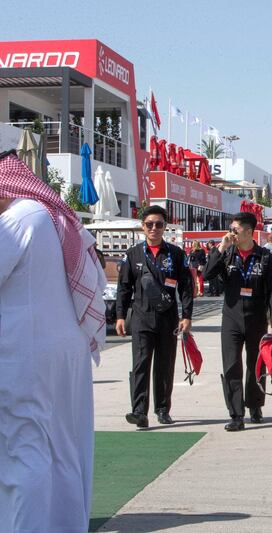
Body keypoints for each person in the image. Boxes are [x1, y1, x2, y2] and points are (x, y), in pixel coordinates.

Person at [0, 151, 105, 533]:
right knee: (63, 450)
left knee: (22, 452)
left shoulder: (20, 218)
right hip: (62, 353)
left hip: (24, 356)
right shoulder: (51, 217)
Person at [205, 212, 272, 431]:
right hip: (231, 317)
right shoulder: (228, 254)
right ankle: (236, 413)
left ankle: (255, 405)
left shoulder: (265, 257)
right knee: (231, 365)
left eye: (236, 230)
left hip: (256, 317)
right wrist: (220, 248)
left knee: (256, 364)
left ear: (249, 232)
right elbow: (208, 274)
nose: (232, 233)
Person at [116, 205, 193, 428]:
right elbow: (124, 288)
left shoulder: (176, 254)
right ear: (142, 227)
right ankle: (139, 411)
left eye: (158, 224)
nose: (154, 228)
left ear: (165, 227)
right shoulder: (133, 255)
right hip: (141, 318)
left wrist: (186, 315)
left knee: (164, 365)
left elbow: (186, 286)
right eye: (149, 224)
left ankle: (162, 409)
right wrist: (121, 315)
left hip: (168, 319)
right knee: (140, 364)